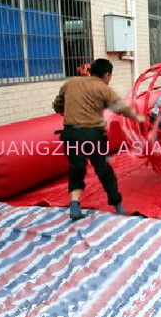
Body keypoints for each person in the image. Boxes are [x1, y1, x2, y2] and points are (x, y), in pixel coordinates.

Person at [53, 58, 145, 220]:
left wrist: (64, 111)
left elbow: (58, 103)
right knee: (104, 170)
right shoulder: (103, 88)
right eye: (110, 76)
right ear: (107, 75)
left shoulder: (71, 83)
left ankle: (75, 205)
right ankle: (118, 206)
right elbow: (120, 107)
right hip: (92, 136)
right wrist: (137, 117)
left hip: (70, 135)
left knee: (76, 169)